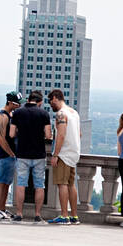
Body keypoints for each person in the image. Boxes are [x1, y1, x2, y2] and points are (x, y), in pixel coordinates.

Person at [9, 90, 52, 222]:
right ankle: (37, 214)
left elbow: (11, 134)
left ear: (28, 100)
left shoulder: (18, 113)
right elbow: (48, 135)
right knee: (39, 185)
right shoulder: (44, 114)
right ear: (40, 102)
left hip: (22, 153)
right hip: (39, 154)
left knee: (21, 183)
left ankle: (19, 213)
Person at [47, 89, 82, 225]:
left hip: (63, 153)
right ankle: (74, 215)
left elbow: (61, 135)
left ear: (55, 98)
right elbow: (79, 134)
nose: (50, 104)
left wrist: (55, 154)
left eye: (51, 101)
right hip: (74, 152)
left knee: (62, 184)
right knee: (71, 185)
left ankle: (64, 215)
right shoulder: (74, 113)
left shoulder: (61, 114)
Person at [0, 92, 22, 221]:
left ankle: (2, 209)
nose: (19, 105)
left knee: (7, 183)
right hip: (5, 155)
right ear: (10, 103)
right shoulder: (2, 117)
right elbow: (1, 139)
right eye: (17, 103)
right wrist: (11, 153)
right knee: (1, 182)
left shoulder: (10, 115)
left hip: (9, 155)